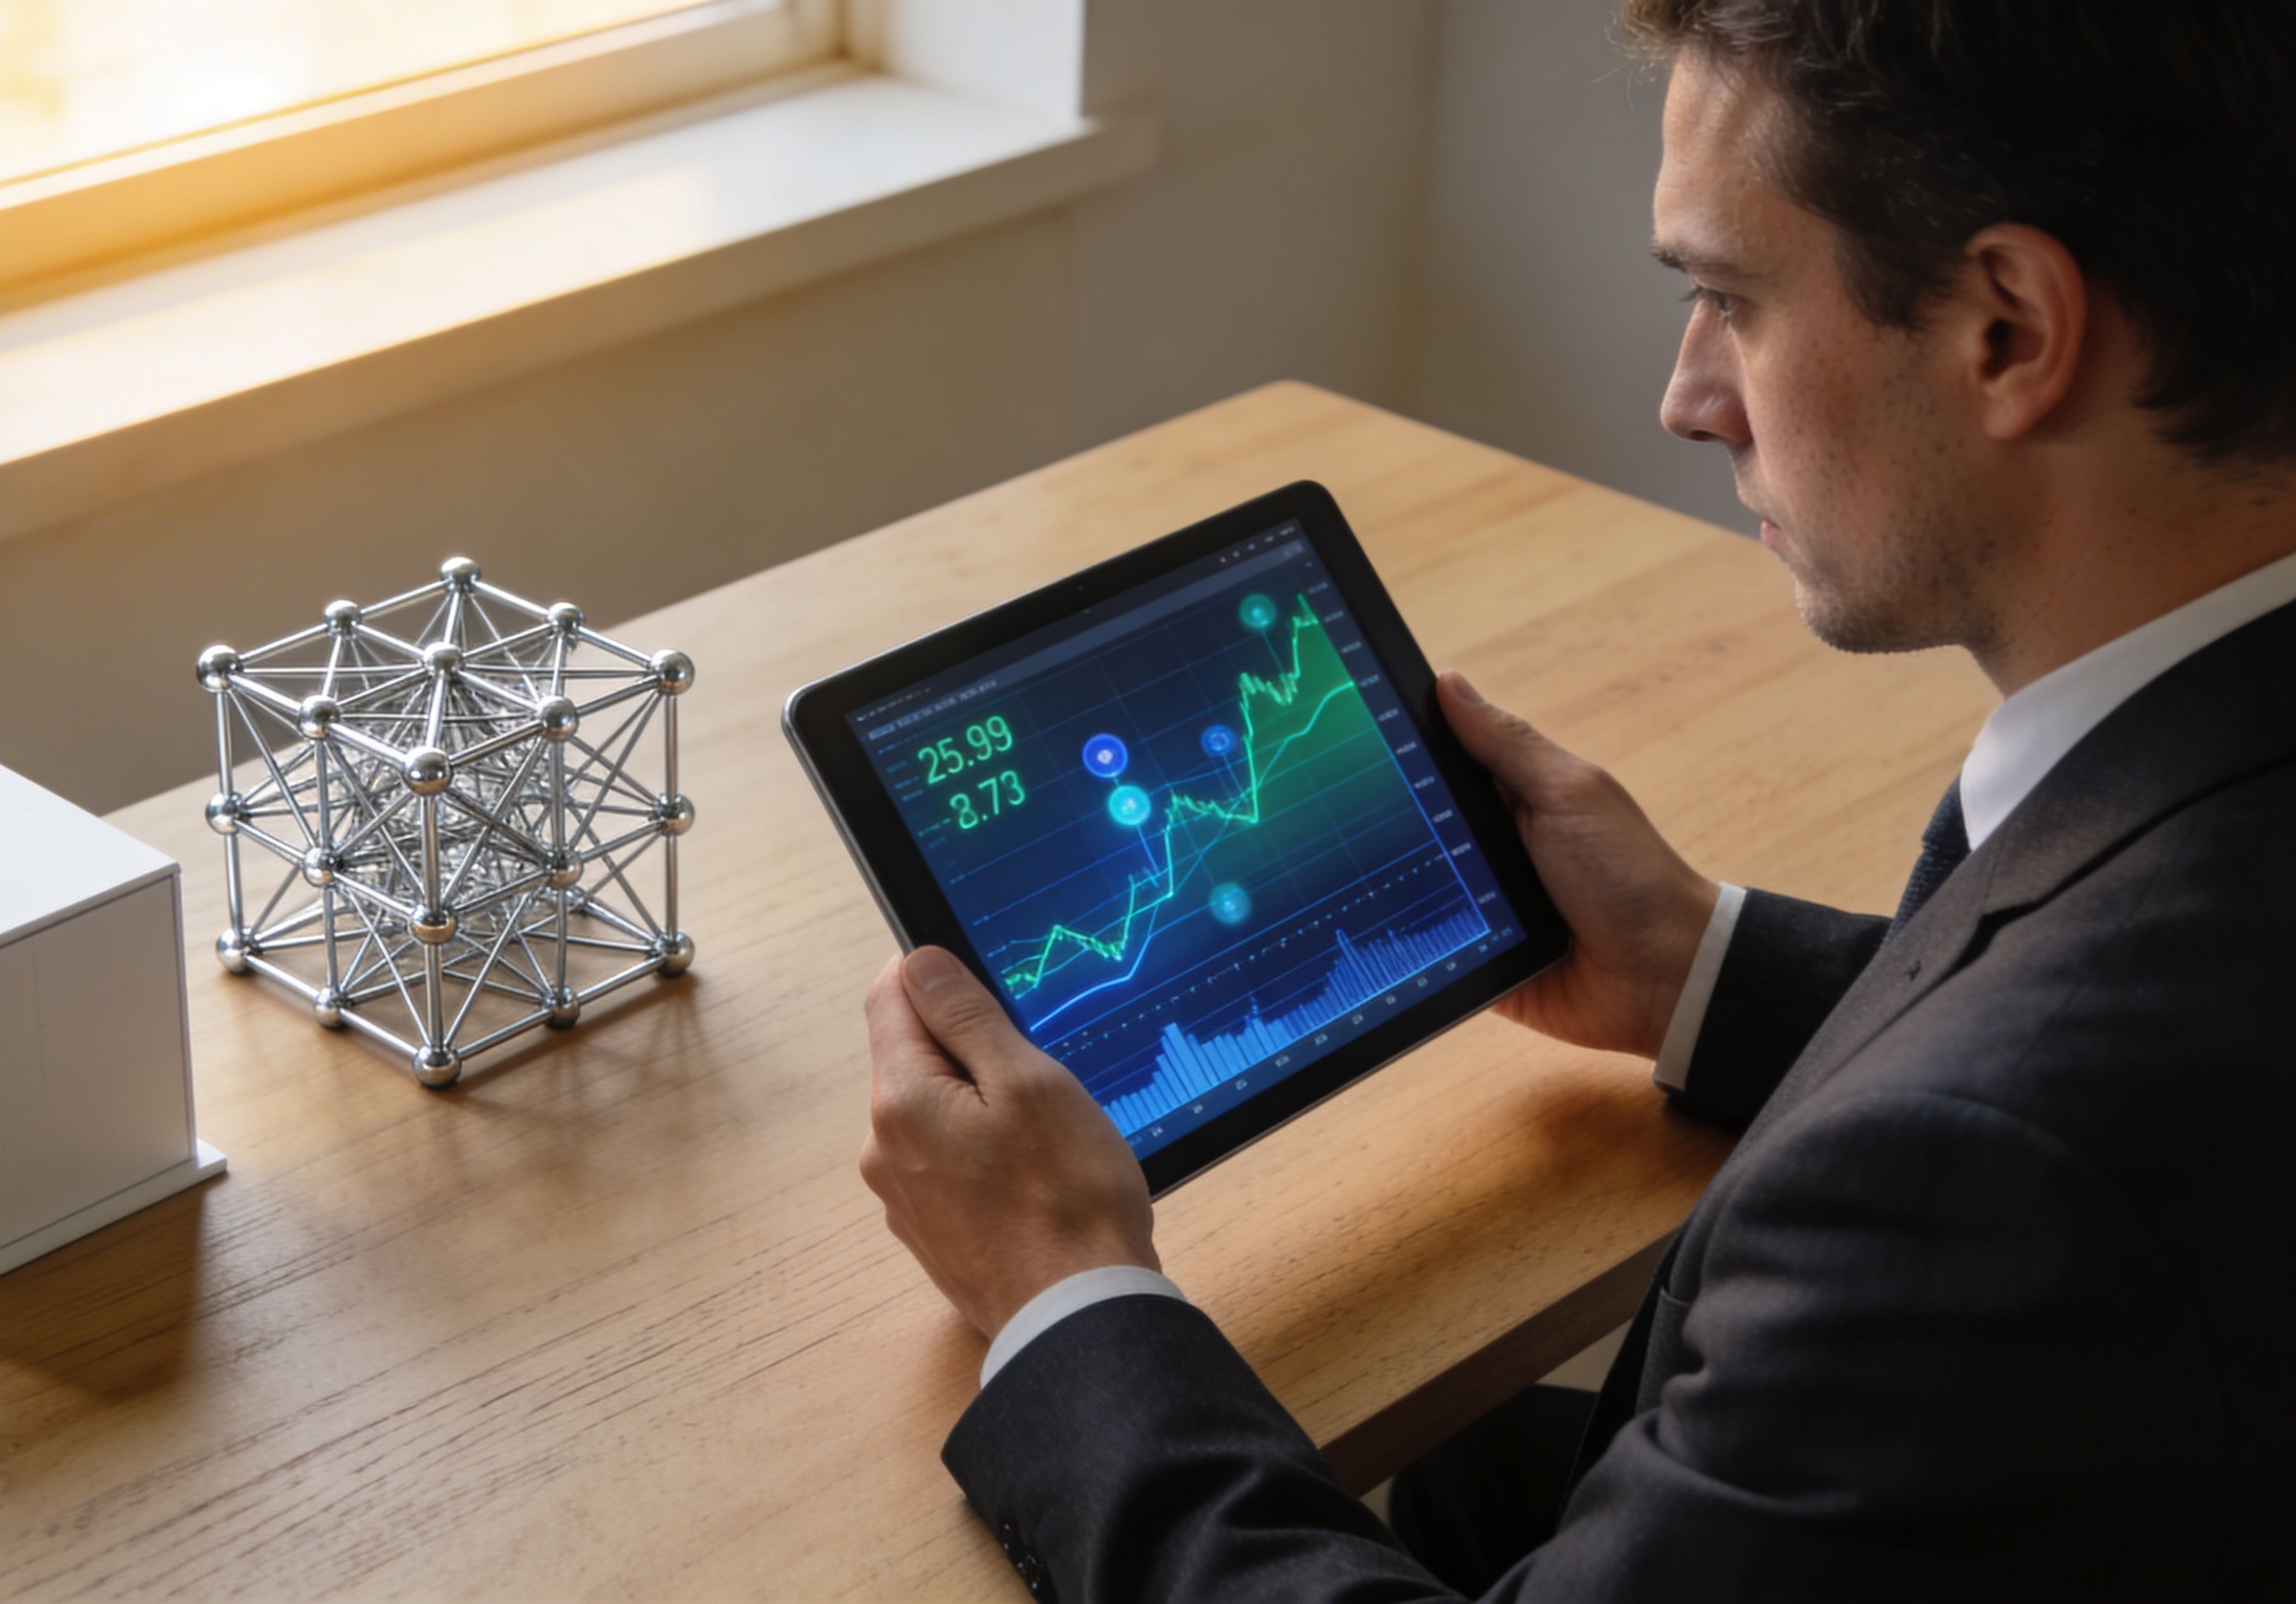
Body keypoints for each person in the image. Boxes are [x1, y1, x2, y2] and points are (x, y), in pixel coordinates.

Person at [855, 2, 2296, 1598]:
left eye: (1727, 299)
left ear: (2009, 330)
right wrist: (1702, 969)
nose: (1687, 396)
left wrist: (1067, 1294)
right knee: (1479, 1469)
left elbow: (2022, 1133)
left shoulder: (1975, 1189)